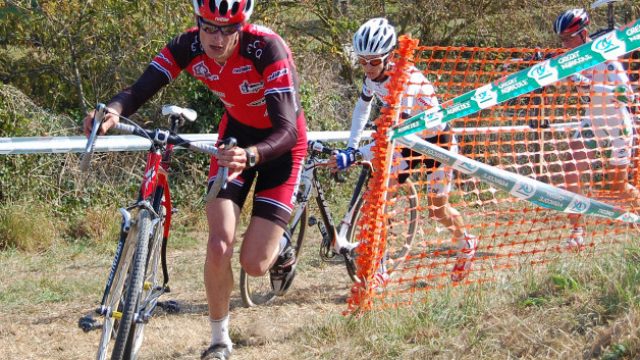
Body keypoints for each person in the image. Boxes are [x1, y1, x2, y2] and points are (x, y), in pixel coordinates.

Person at [83, 1, 307, 358]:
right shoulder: (186, 45)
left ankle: (281, 244)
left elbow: (287, 129)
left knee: (254, 263)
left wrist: (251, 156)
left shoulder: (266, 48)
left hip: (280, 148)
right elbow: (140, 88)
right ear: (197, 22)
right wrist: (112, 110)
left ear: (242, 26)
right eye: (209, 28)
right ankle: (219, 341)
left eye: (227, 30)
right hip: (233, 137)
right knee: (219, 243)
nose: (217, 39)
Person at [328, 18, 478, 284]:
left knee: (437, 210)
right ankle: (381, 267)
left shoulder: (408, 82)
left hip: (436, 142)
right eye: (362, 61)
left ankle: (467, 243)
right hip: (407, 144)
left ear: (389, 57)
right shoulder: (372, 76)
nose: (368, 68)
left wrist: (356, 154)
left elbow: (391, 136)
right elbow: (362, 108)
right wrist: (351, 146)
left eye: (374, 61)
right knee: (381, 201)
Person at [552, 8, 640, 248]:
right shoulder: (571, 60)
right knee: (571, 169)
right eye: (562, 40)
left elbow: (628, 96)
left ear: (584, 34)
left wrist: (588, 84)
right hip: (592, 121)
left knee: (618, 188)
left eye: (568, 39)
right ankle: (577, 232)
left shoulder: (606, 58)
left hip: (616, 124)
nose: (565, 44)